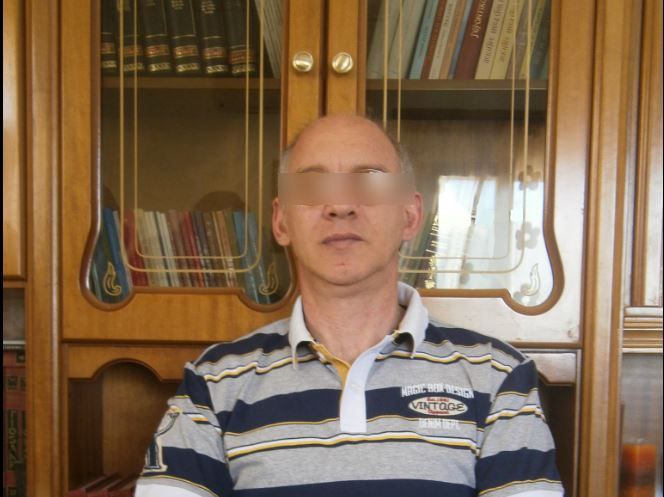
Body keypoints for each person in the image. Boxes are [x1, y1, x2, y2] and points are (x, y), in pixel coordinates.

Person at [135, 114, 563, 497]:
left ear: (410, 216)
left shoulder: (499, 377)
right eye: (312, 185)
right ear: (282, 221)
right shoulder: (213, 383)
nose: (340, 206)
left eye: (369, 181)